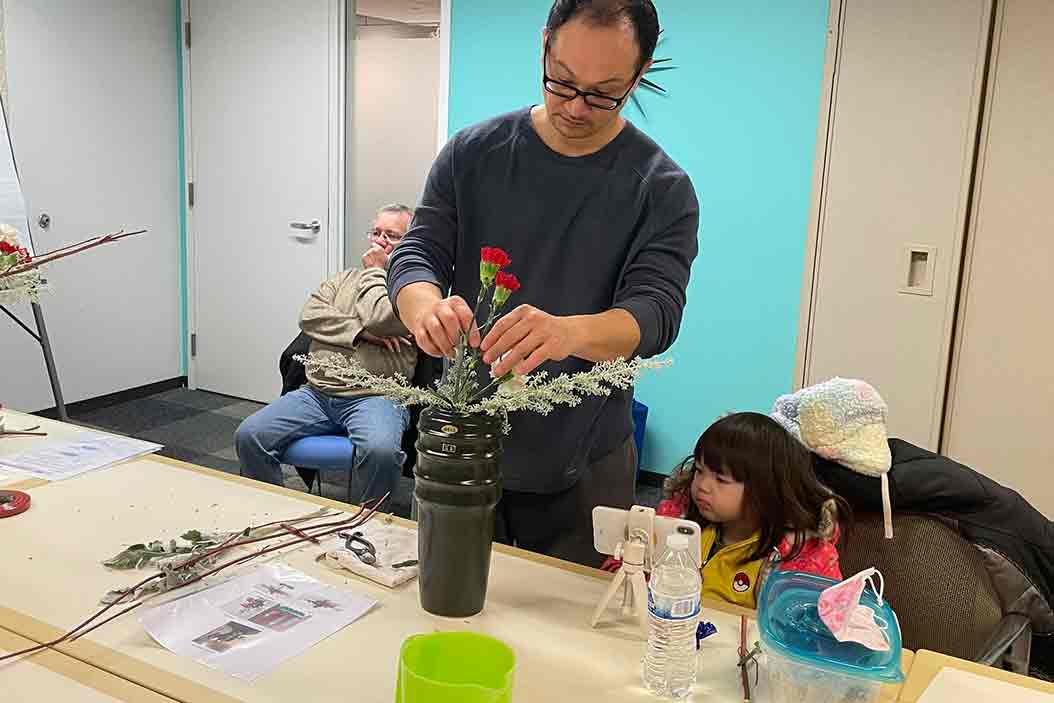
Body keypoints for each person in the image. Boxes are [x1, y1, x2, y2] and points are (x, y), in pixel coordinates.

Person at [387, 0, 699, 565]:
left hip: (581, 459)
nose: (577, 107)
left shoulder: (659, 187)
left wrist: (570, 333)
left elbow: (656, 312)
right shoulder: (473, 153)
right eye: (562, 82)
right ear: (544, 47)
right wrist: (423, 306)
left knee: (566, 635)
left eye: (605, 92)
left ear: (641, 73)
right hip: (457, 440)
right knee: (443, 603)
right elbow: (417, 253)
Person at [235, 204, 417, 502]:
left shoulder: (410, 289)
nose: (380, 240)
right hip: (317, 393)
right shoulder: (343, 279)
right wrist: (361, 333)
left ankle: (365, 526)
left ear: (409, 243)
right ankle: (275, 513)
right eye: (376, 232)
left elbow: (382, 318)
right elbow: (310, 316)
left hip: (375, 396)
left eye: (392, 235)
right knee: (249, 435)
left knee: (380, 451)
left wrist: (375, 272)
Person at [654, 413, 849, 609]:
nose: (703, 485)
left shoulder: (798, 554)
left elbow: (812, 620)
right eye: (699, 470)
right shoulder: (679, 516)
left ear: (764, 490)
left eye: (721, 479)